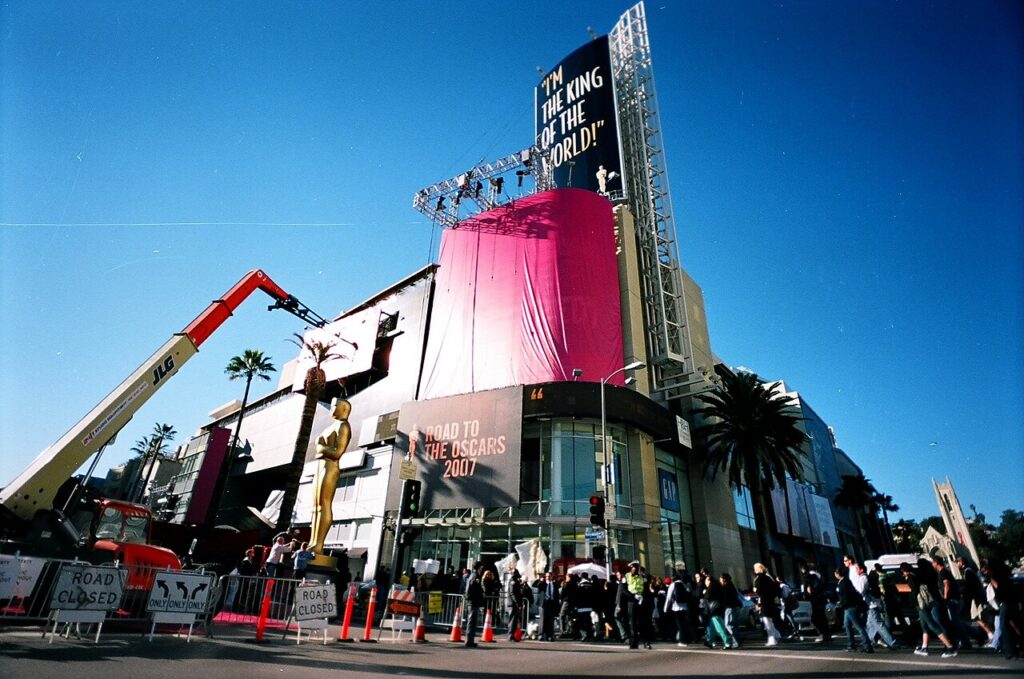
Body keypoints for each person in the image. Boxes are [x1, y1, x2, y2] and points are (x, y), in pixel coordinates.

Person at [309, 398, 352, 553]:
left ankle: (318, 544)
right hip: (321, 465)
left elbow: (338, 452)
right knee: (315, 507)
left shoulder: (343, 426)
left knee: (323, 505)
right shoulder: (333, 426)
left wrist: (320, 448)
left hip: (330, 467)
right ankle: (313, 542)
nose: (331, 408)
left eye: (334, 406)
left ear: (343, 409)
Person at [903, 560, 958, 658]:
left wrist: (909, 579)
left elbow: (915, 591)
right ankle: (925, 647)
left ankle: (949, 646)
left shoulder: (915, 576)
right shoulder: (932, 573)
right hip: (932, 601)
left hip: (925, 603)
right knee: (926, 625)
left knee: (934, 624)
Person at [857, 562, 899, 650]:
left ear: (861, 570)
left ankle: (892, 642)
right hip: (873, 604)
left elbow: (861, 591)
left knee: (878, 623)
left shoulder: (864, 578)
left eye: (857, 569)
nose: (856, 570)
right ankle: (870, 642)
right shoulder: (868, 577)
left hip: (872, 604)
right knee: (870, 624)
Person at [835, 567, 873, 653]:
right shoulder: (844, 581)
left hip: (850, 607)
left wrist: (841, 604)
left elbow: (846, 596)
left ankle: (867, 646)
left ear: (837, 574)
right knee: (847, 625)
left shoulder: (843, 583)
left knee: (859, 626)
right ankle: (851, 644)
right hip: (848, 607)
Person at [753, 563, 783, 646]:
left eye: (755, 568)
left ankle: (772, 638)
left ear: (758, 569)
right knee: (769, 620)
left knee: (766, 621)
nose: (754, 570)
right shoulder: (768, 578)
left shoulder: (759, 579)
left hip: (764, 602)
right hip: (771, 601)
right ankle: (777, 635)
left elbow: (759, 591)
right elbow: (774, 590)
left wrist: (756, 590)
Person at [801, 563, 831, 644]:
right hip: (821, 599)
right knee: (822, 618)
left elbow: (809, 589)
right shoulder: (816, 576)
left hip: (814, 600)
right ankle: (827, 635)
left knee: (815, 618)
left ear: (803, 570)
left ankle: (822, 634)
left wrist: (808, 594)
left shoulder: (806, 577)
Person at [665, 573, 694, 646]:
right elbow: (689, 593)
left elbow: (669, 597)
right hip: (685, 606)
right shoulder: (683, 584)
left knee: (679, 624)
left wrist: (665, 608)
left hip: (676, 607)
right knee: (684, 623)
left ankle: (682, 640)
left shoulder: (673, 584)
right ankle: (687, 639)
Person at [463, 562, 485, 648]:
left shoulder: (475, 576)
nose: (482, 569)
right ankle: (469, 641)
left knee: (473, 622)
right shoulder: (474, 576)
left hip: (474, 601)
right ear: (478, 568)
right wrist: (469, 598)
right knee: (471, 622)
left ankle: (470, 640)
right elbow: (470, 589)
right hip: (473, 602)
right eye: (481, 568)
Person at [625, 561, 646, 649]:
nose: (636, 570)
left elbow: (645, 587)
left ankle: (645, 641)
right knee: (632, 622)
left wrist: (642, 596)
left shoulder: (642, 577)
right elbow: (623, 589)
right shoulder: (627, 576)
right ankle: (634, 642)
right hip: (632, 601)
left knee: (641, 621)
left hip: (640, 600)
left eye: (637, 569)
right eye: (634, 568)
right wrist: (633, 596)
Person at [720, 573, 743, 647]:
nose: (720, 580)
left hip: (730, 607)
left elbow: (725, 599)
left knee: (729, 624)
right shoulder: (731, 585)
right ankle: (736, 640)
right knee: (734, 625)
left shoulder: (726, 587)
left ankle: (737, 640)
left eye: (720, 579)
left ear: (724, 579)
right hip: (735, 606)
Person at [538, 571, 560, 641]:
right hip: (543, 604)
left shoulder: (555, 584)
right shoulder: (543, 583)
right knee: (543, 620)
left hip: (551, 603)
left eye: (549, 576)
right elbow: (538, 586)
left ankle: (550, 635)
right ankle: (541, 635)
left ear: (551, 576)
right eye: (546, 576)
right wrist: (541, 581)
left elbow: (556, 595)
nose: (547, 577)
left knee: (550, 620)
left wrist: (557, 605)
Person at [506, 570, 526, 641]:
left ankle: (512, 635)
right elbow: (512, 593)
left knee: (514, 620)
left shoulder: (515, 581)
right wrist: (517, 603)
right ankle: (510, 635)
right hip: (512, 604)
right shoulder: (513, 581)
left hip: (514, 603)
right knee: (512, 620)